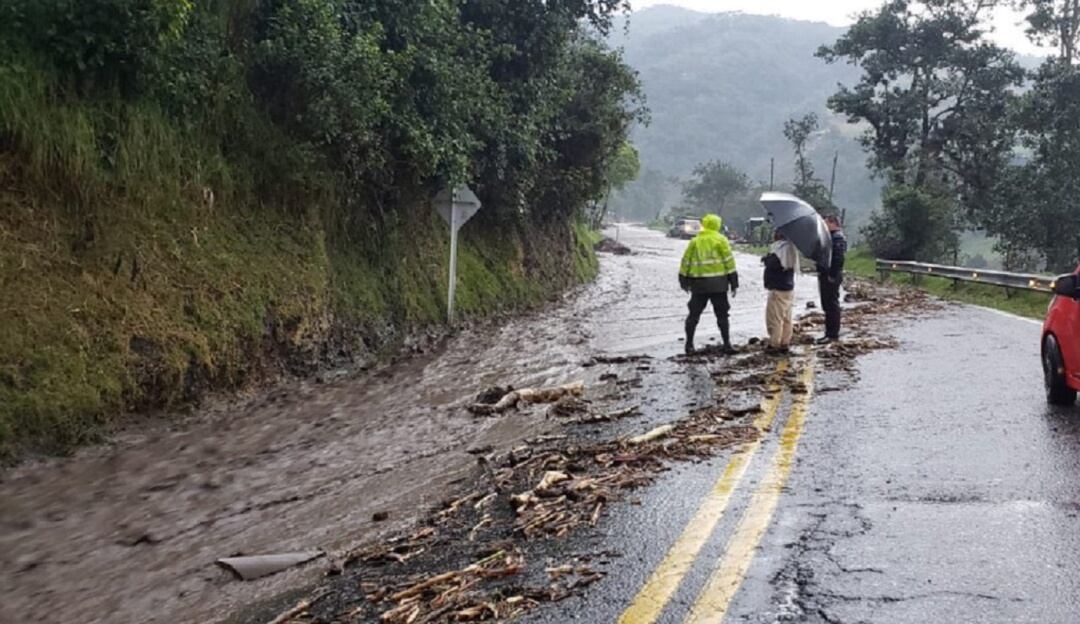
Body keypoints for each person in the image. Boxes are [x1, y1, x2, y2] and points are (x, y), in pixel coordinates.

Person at [678, 213, 739, 355]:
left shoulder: (695, 241)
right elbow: (729, 262)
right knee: (722, 315)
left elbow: (686, 261)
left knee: (693, 315)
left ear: (704, 225)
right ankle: (727, 344)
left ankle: (689, 345)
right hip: (719, 285)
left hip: (699, 284)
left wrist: (683, 280)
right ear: (718, 225)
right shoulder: (721, 240)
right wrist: (734, 283)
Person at [762, 231, 798, 353]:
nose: (773, 234)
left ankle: (774, 344)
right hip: (788, 287)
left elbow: (773, 264)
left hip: (778, 288)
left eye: (776, 232)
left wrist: (767, 258)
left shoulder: (781, 249)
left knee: (775, 318)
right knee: (787, 318)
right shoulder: (791, 248)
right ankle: (785, 342)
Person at [816, 214, 847, 344]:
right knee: (827, 304)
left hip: (831, 275)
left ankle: (832, 334)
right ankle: (829, 333)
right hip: (826, 274)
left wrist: (832, 275)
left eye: (826, 223)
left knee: (831, 305)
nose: (824, 226)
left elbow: (838, 258)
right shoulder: (830, 237)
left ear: (833, 223)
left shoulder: (837, 238)